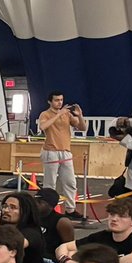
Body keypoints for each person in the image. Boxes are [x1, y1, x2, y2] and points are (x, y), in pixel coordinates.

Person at [37, 91, 87, 220]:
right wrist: (58, 114)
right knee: (50, 183)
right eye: (56, 100)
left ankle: (70, 210)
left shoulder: (67, 114)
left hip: (65, 151)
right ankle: (47, 210)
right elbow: (43, 126)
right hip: (50, 151)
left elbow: (83, 128)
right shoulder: (45, 114)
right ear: (50, 101)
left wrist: (80, 115)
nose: (60, 102)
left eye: (61, 100)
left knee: (70, 182)